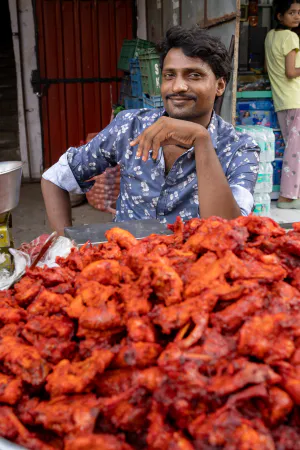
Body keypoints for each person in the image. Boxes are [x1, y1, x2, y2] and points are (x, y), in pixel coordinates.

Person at [42, 26, 260, 235]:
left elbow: (230, 232)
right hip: (126, 265)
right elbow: (55, 178)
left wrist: (200, 139)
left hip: (196, 268)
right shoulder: (129, 127)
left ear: (220, 85)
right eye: (169, 75)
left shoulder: (239, 148)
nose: (178, 87)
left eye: (194, 75)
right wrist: (65, 243)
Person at [265, 1, 300, 209]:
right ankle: (287, 197)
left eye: (298, 13)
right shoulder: (290, 37)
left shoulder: (271, 36)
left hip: (282, 100)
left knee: (293, 148)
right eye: (291, 13)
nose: (296, 17)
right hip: (295, 99)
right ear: (279, 15)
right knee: (295, 151)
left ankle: (293, 195)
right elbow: (291, 72)